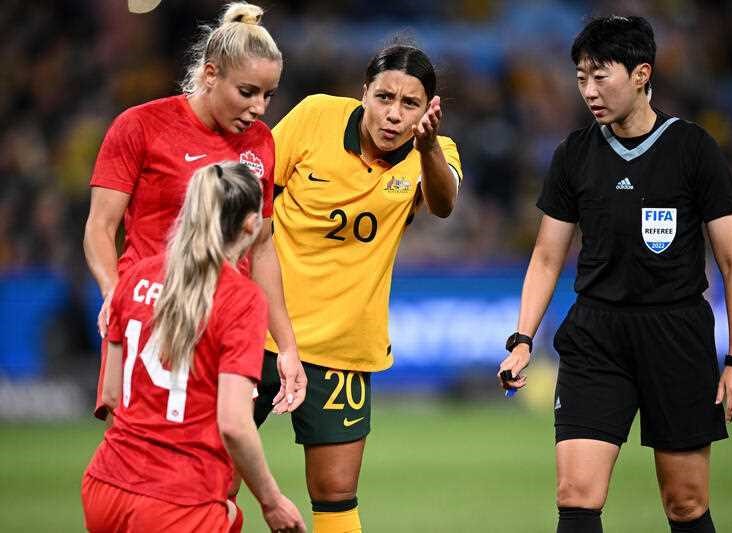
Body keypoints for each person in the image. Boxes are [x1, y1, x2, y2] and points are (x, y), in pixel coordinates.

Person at [498, 16, 732, 533]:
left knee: (684, 503)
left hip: (675, 334)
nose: (589, 91)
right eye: (580, 78)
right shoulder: (574, 154)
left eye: (601, 77)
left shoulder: (693, 148)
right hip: (596, 336)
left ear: (642, 74)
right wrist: (522, 338)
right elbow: (547, 256)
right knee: (576, 495)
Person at [252, 43, 462, 532]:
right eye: (384, 96)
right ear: (363, 92)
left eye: (410, 104)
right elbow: (255, 195)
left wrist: (428, 146)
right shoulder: (315, 116)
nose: (393, 114)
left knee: (335, 494)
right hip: (257, 331)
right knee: (211, 473)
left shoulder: (438, 152)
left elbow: (444, 202)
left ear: (429, 110)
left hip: (343, 348)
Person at [83, 0, 305, 423]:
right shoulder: (140, 126)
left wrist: (287, 346)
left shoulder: (260, 143)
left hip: (226, 323)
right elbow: (99, 227)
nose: (260, 108)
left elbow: (261, 250)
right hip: (154, 317)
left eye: (268, 95)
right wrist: (115, 296)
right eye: (247, 92)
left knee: (220, 473)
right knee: (143, 461)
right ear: (210, 74)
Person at [81, 162, 306, 532]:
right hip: (179, 498)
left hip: (106, 486)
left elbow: (111, 394)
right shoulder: (241, 298)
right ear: (251, 226)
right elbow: (234, 424)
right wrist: (272, 502)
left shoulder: (135, 277)